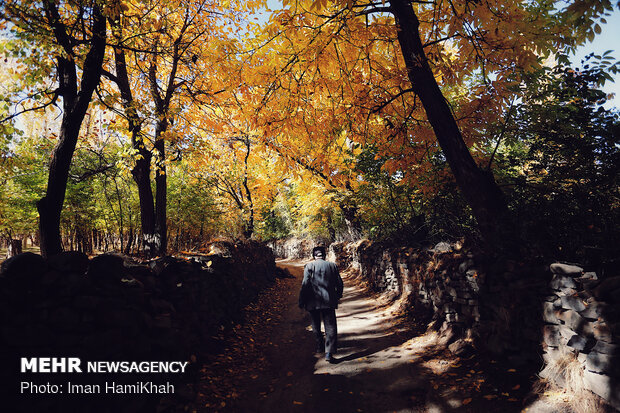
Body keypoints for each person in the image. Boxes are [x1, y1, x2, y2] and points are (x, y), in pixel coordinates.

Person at [298, 246, 343, 363]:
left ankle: (319, 345)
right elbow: (339, 283)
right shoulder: (332, 266)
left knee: (315, 325)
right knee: (330, 326)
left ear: (314, 255)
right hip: (329, 301)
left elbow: (305, 284)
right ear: (325, 254)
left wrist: (302, 300)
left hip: (313, 302)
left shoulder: (309, 266)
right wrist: (337, 295)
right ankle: (329, 352)